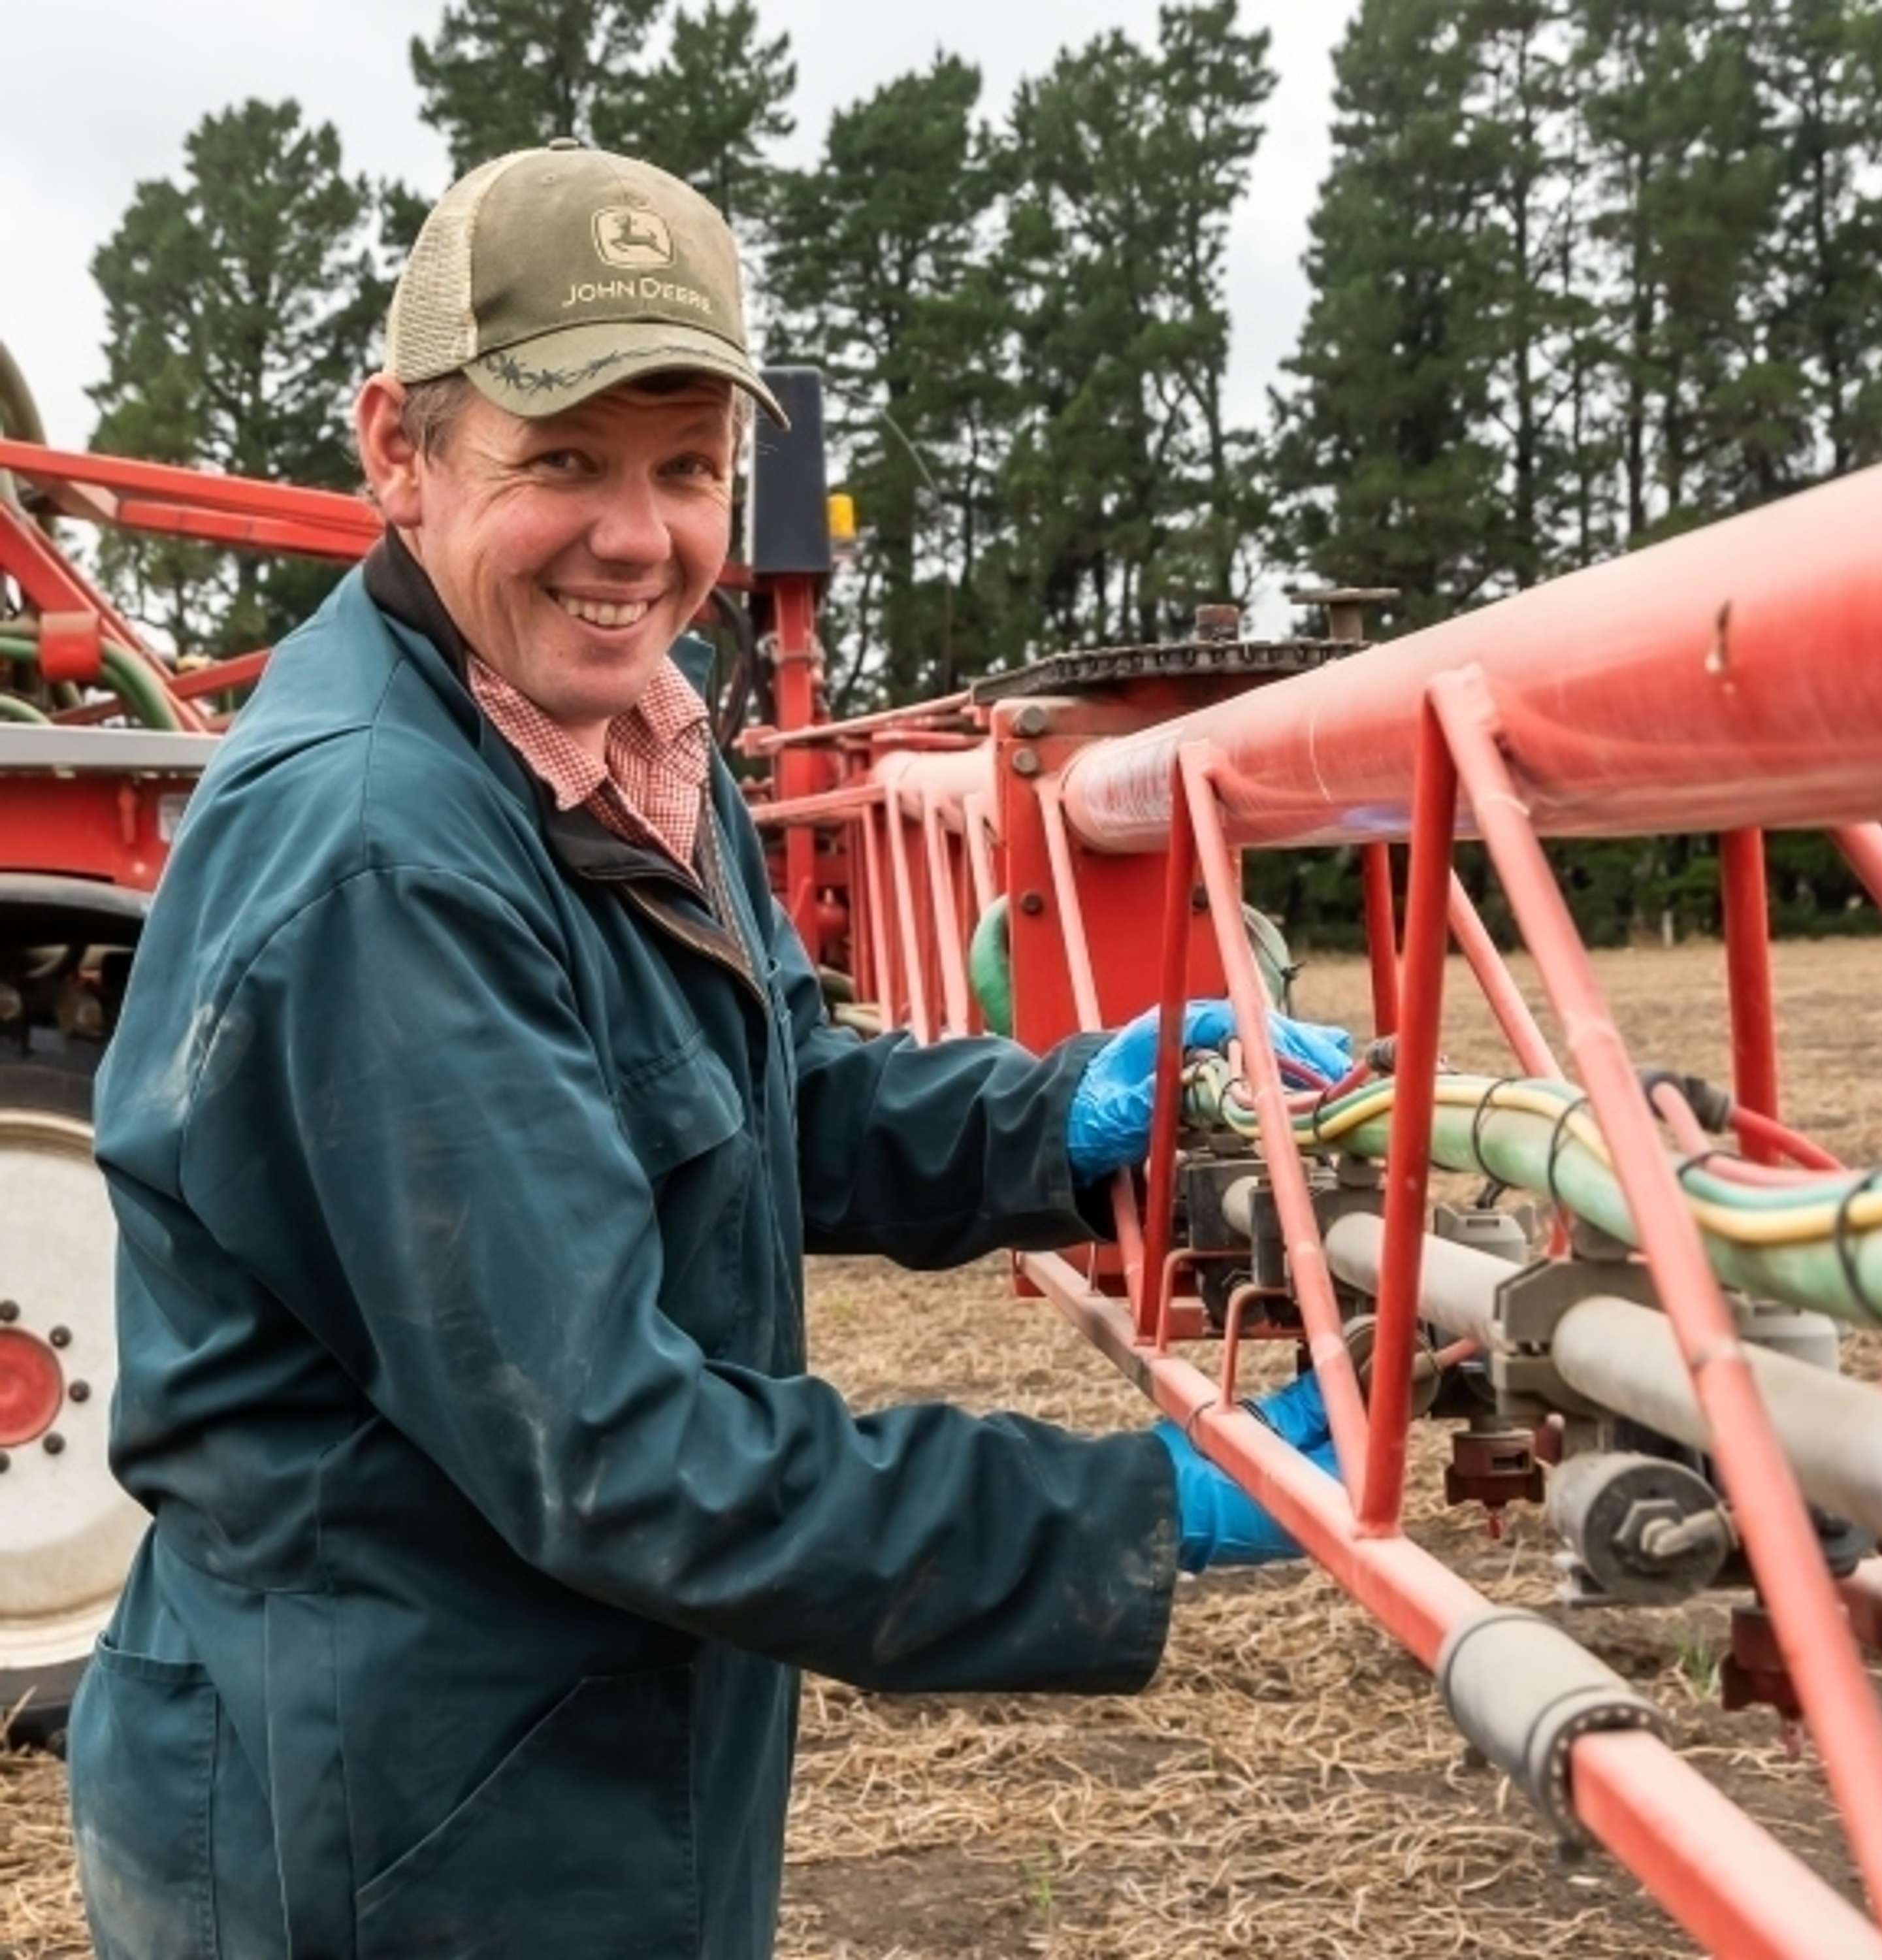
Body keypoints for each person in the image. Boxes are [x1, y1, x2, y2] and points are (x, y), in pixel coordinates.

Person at [68, 143, 1350, 1960]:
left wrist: (1062, 1119)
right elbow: (612, 1446)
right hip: (388, 1822)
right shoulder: (383, 851)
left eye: (687, 469)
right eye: (564, 459)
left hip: (543, 1755)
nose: (639, 535)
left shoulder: (615, 729)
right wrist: (1137, 1508)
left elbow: (758, 1099)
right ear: (398, 450)